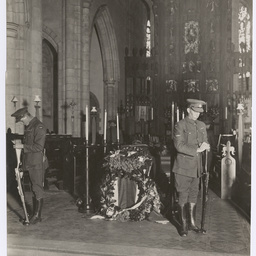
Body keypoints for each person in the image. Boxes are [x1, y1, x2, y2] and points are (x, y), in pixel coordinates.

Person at [172, 99, 210, 237]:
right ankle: (183, 225)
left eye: (200, 112)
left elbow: (205, 142)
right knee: (183, 194)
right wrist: (198, 149)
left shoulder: (201, 125)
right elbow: (179, 146)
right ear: (188, 110)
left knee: (194, 193)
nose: (197, 115)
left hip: (197, 168)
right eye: (195, 112)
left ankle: (192, 223)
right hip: (183, 167)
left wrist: (206, 146)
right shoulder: (180, 125)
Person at [11, 107, 47, 225]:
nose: (22, 123)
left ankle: (37, 216)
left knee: (37, 188)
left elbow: (38, 147)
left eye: (22, 121)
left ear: (25, 116)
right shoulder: (31, 126)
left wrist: (22, 147)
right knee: (33, 188)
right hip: (30, 162)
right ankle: (34, 214)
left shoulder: (39, 126)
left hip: (36, 163)